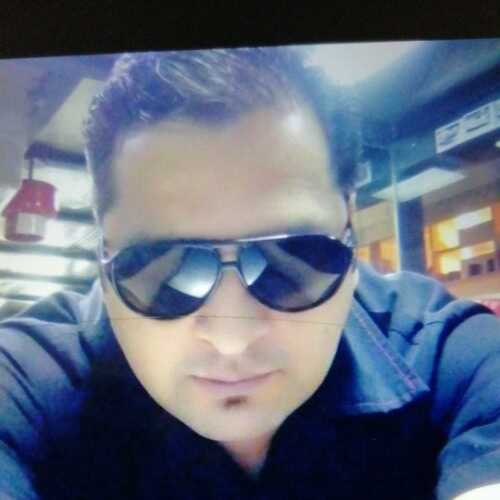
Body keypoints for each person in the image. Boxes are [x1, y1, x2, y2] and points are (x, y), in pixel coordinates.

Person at [1, 47, 500, 500]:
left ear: (350, 228)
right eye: (166, 267)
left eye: (293, 256)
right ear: (104, 256)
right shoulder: (30, 380)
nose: (231, 337)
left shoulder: (450, 356)